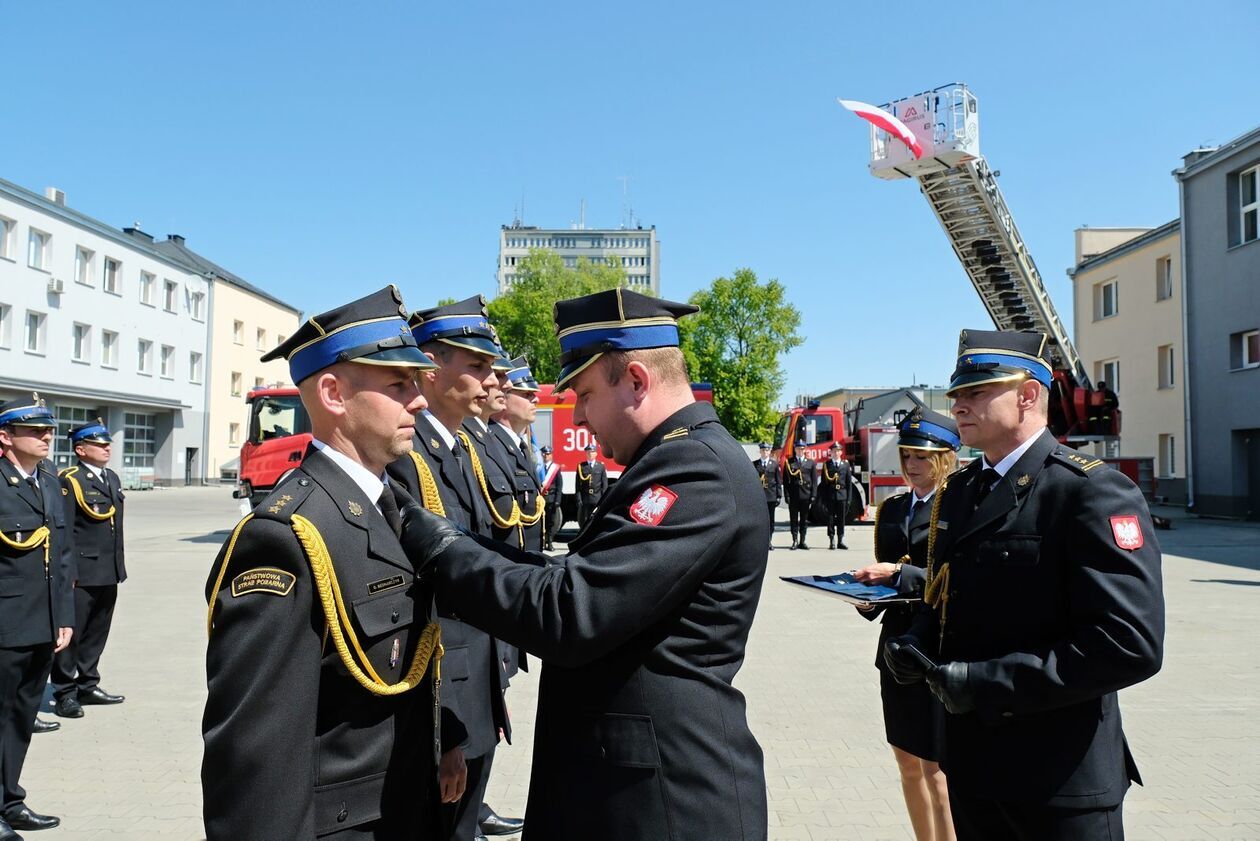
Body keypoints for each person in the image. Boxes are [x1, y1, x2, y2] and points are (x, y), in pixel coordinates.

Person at [398, 287, 770, 841]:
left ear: (638, 381)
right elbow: (570, 576)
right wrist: (458, 538)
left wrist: (437, 547)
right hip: (635, 793)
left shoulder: (695, 469)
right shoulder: (676, 456)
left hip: (664, 803)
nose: (576, 415)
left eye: (585, 393)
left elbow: (570, 611)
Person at [884, 329, 1164, 841]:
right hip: (974, 769)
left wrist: (987, 682)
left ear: (1029, 395)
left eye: (976, 392)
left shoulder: (1089, 490)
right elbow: (949, 592)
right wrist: (919, 637)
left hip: (1058, 781)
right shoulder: (963, 491)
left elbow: (1129, 645)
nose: (958, 405)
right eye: (956, 394)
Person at [201, 286, 446, 840]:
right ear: (333, 393)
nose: (420, 401)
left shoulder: (398, 506)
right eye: (398, 384)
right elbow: (255, 753)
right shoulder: (285, 536)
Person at [387, 296, 521, 841]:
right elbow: (423, 601)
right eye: (478, 366)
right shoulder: (406, 453)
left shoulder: (459, 446)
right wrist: (445, 732)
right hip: (445, 693)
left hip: (475, 686)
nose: (493, 381)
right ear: (434, 367)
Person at [852, 408, 960, 841]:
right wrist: (867, 598)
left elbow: (953, 575)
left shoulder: (959, 504)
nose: (911, 465)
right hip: (896, 647)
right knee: (907, 761)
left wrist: (896, 575)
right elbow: (889, 577)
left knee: (937, 769)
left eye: (921, 456)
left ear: (945, 458)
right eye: (906, 455)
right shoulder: (893, 508)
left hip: (937, 647)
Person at [0, 395, 75, 839]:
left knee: (21, 717)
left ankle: (10, 800)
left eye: (48, 429)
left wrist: (63, 616)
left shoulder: (47, 481)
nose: (46, 436)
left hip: (42, 622)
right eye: (34, 430)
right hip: (5, 622)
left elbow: (61, 556)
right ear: (5, 437)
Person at [51, 420, 127, 720]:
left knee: (97, 631)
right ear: (80, 449)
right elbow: (64, 530)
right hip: (81, 572)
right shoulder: (70, 480)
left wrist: (118, 566)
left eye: (107, 442)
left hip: (108, 570)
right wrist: (66, 574)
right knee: (73, 635)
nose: (106, 446)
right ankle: (65, 692)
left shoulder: (112, 477)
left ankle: (87, 684)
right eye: (98, 443)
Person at [491, 357, 545, 552]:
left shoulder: (520, 447)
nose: (536, 399)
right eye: (527, 394)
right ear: (504, 397)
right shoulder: (490, 444)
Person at [782, 442, 816, 550]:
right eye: (798, 449)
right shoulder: (789, 462)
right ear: (795, 449)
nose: (800, 451)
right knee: (793, 520)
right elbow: (786, 481)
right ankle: (795, 540)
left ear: (805, 450)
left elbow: (814, 481)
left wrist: (813, 495)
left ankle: (802, 541)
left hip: (806, 495)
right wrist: (786, 495)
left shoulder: (810, 463)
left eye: (802, 449)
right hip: (794, 496)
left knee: (804, 520)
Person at [820, 441, 851, 549]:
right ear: (831, 452)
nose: (836, 453)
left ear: (841, 452)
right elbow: (824, 484)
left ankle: (840, 540)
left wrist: (848, 499)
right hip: (831, 496)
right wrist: (823, 499)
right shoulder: (827, 465)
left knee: (841, 519)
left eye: (838, 451)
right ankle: (831, 540)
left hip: (842, 495)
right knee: (830, 519)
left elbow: (848, 483)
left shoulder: (845, 465)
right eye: (834, 451)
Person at [752, 443, 780, 550]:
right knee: (760, 520)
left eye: (767, 450)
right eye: (763, 450)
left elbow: (778, 481)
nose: (765, 452)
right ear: (760, 451)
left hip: (771, 496)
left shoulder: (774, 464)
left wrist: (779, 495)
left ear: (769, 452)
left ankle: (769, 541)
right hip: (759, 497)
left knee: (770, 520)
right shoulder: (755, 464)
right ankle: (761, 541)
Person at [574, 443, 607, 527]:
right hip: (585, 498)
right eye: (588, 452)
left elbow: (604, 484)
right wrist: (579, 499)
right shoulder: (581, 466)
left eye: (592, 452)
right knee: (584, 521)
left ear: (596, 453)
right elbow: (577, 485)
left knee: (596, 519)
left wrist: (603, 499)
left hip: (597, 497)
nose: (590, 454)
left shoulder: (600, 466)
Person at [539, 447, 562, 551]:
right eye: (544, 454)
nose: (546, 456)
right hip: (541, 499)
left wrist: (557, 500)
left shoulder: (555, 468)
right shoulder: (539, 468)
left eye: (548, 454)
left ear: (551, 455)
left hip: (551, 499)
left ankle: (550, 542)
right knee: (541, 522)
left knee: (551, 522)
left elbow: (559, 485)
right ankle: (542, 542)